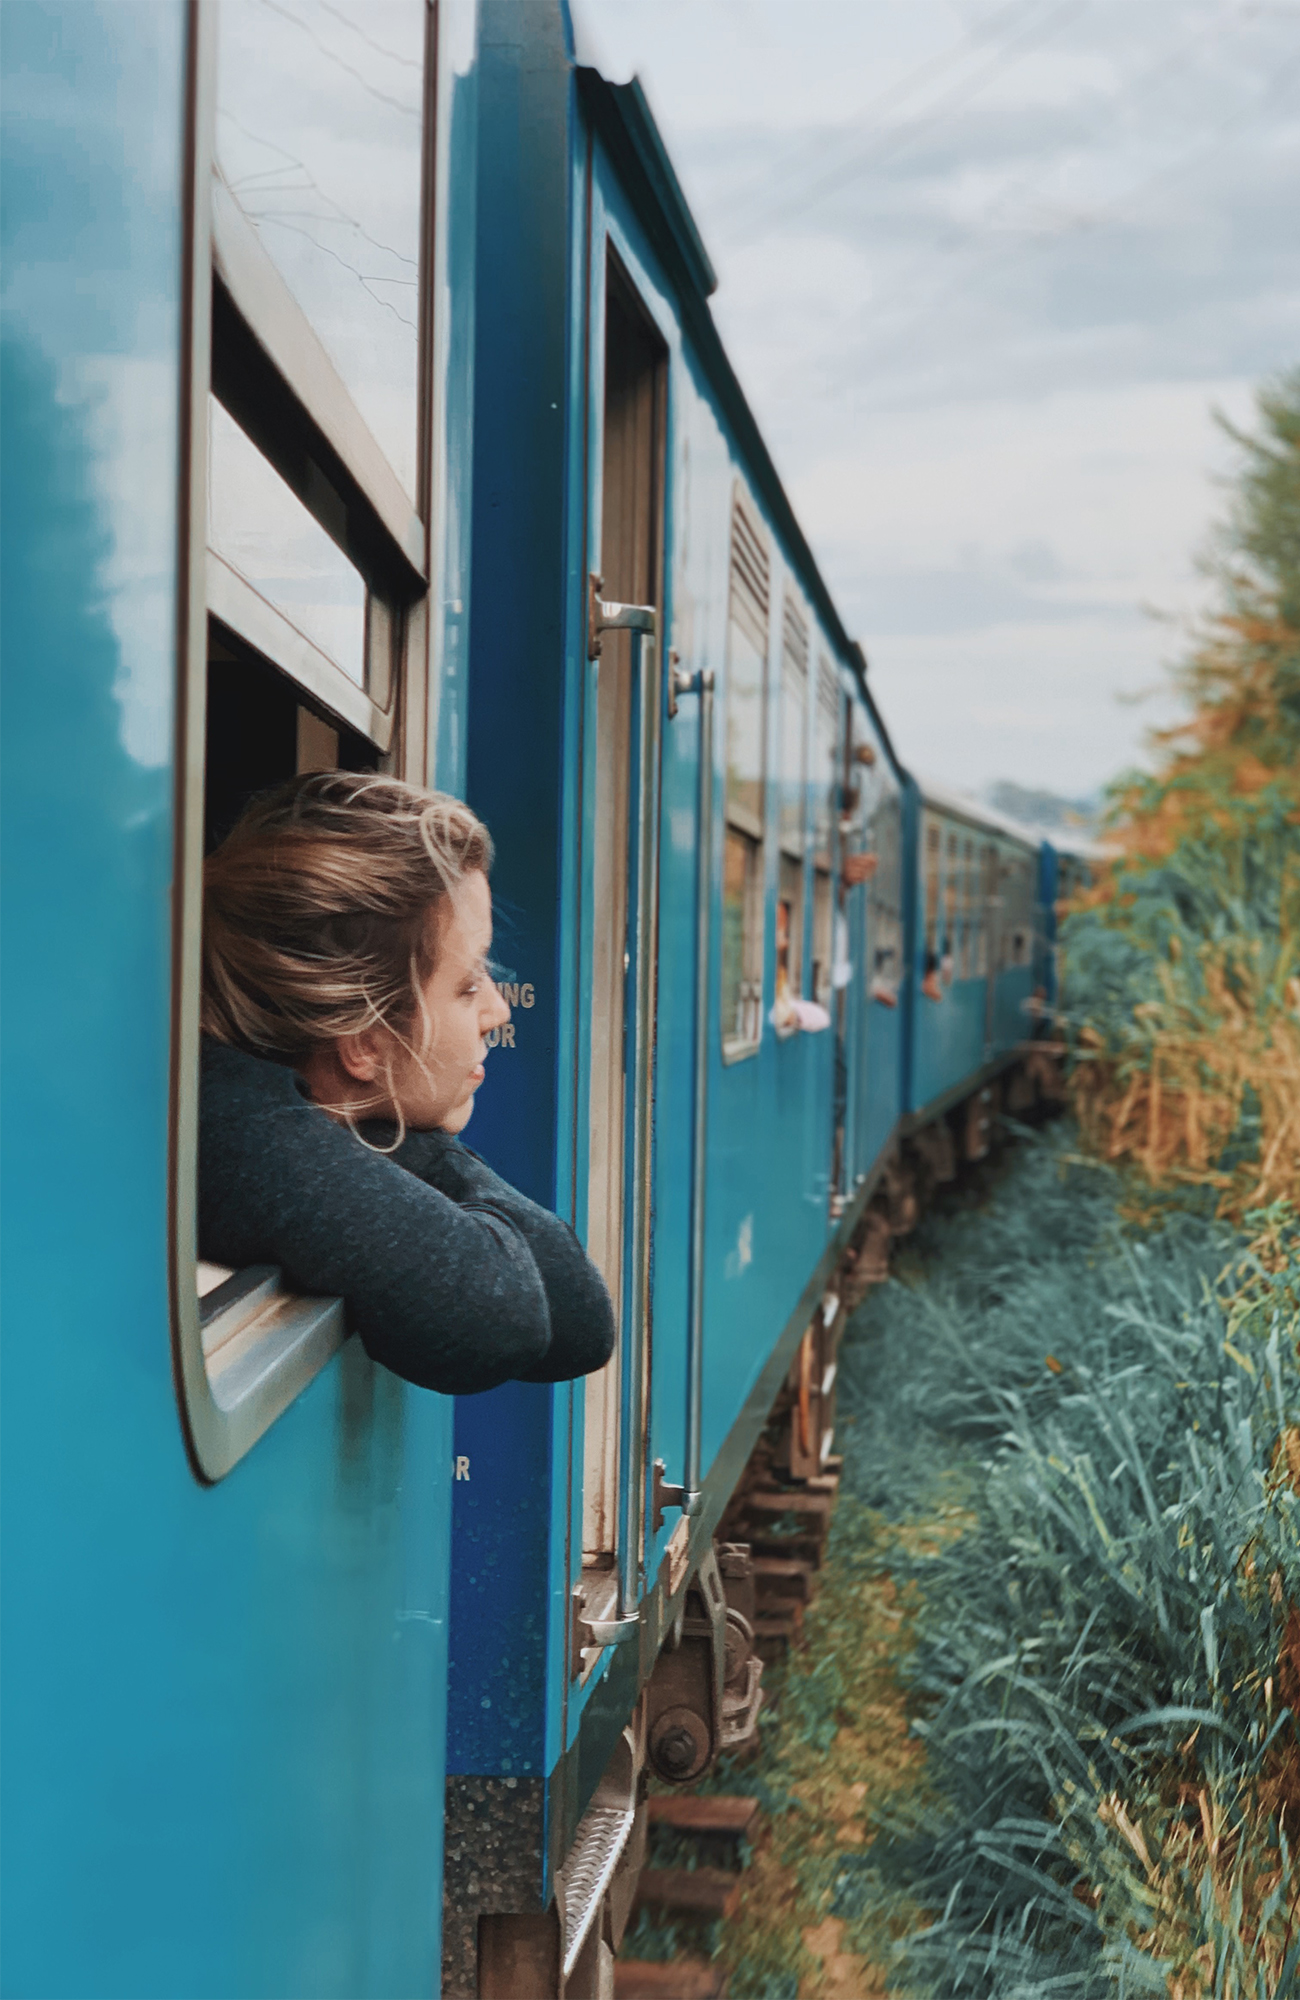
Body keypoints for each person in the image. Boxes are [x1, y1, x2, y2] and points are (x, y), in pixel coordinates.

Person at [198, 770, 614, 1397]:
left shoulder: (285, 1115)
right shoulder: (235, 1132)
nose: (497, 1011)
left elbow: (579, 1321)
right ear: (366, 1041)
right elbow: (497, 1318)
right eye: (469, 983)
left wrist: (391, 1130)